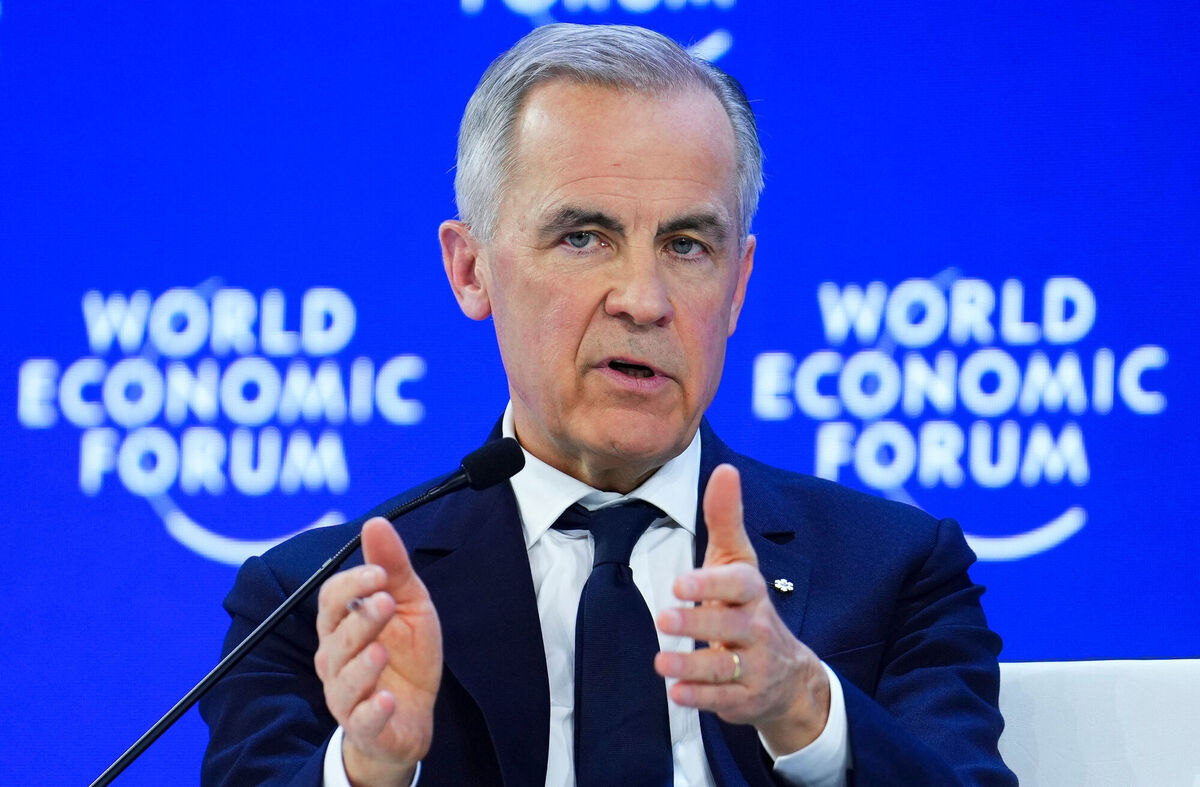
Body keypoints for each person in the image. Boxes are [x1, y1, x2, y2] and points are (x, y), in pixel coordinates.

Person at [201, 23, 1016, 787]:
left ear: (738, 284)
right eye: (584, 237)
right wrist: (372, 766)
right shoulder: (314, 603)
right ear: (471, 269)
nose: (643, 298)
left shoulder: (895, 569)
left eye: (687, 244)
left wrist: (803, 706)